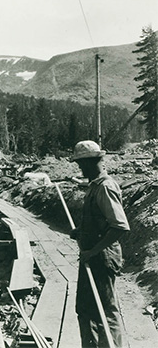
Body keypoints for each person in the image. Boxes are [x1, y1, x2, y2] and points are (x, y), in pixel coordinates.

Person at [70, 140, 129, 348]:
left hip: (101, 258)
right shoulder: (94, 186)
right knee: (86, 309)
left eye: (80, 164)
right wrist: (80, 231)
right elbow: (99, 222)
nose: (79, 168)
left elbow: (120, 226)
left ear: (89, 162)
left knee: (105, 309)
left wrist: (93, 251)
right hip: (92, 255)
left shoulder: (105, 187)